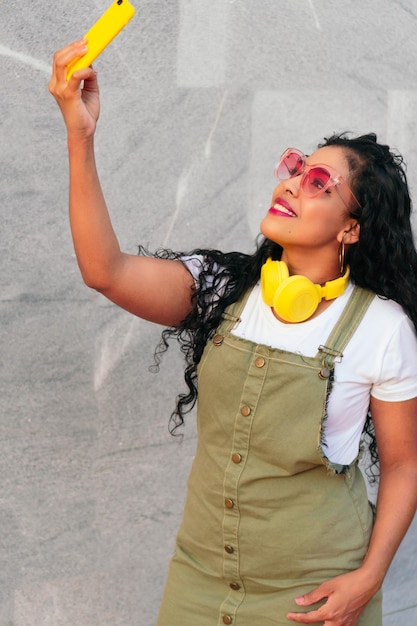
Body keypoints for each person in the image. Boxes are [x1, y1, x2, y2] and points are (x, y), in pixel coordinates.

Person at [49, 40, 417, 626]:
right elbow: (106, 271)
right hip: (199, 579)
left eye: (319, 180)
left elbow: (403, 464)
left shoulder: (383, 328)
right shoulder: (223, 289)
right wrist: (81, 136)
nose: (293, 182)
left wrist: (368, 580)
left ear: (351, 228)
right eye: (295, 167)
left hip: (316, 596)